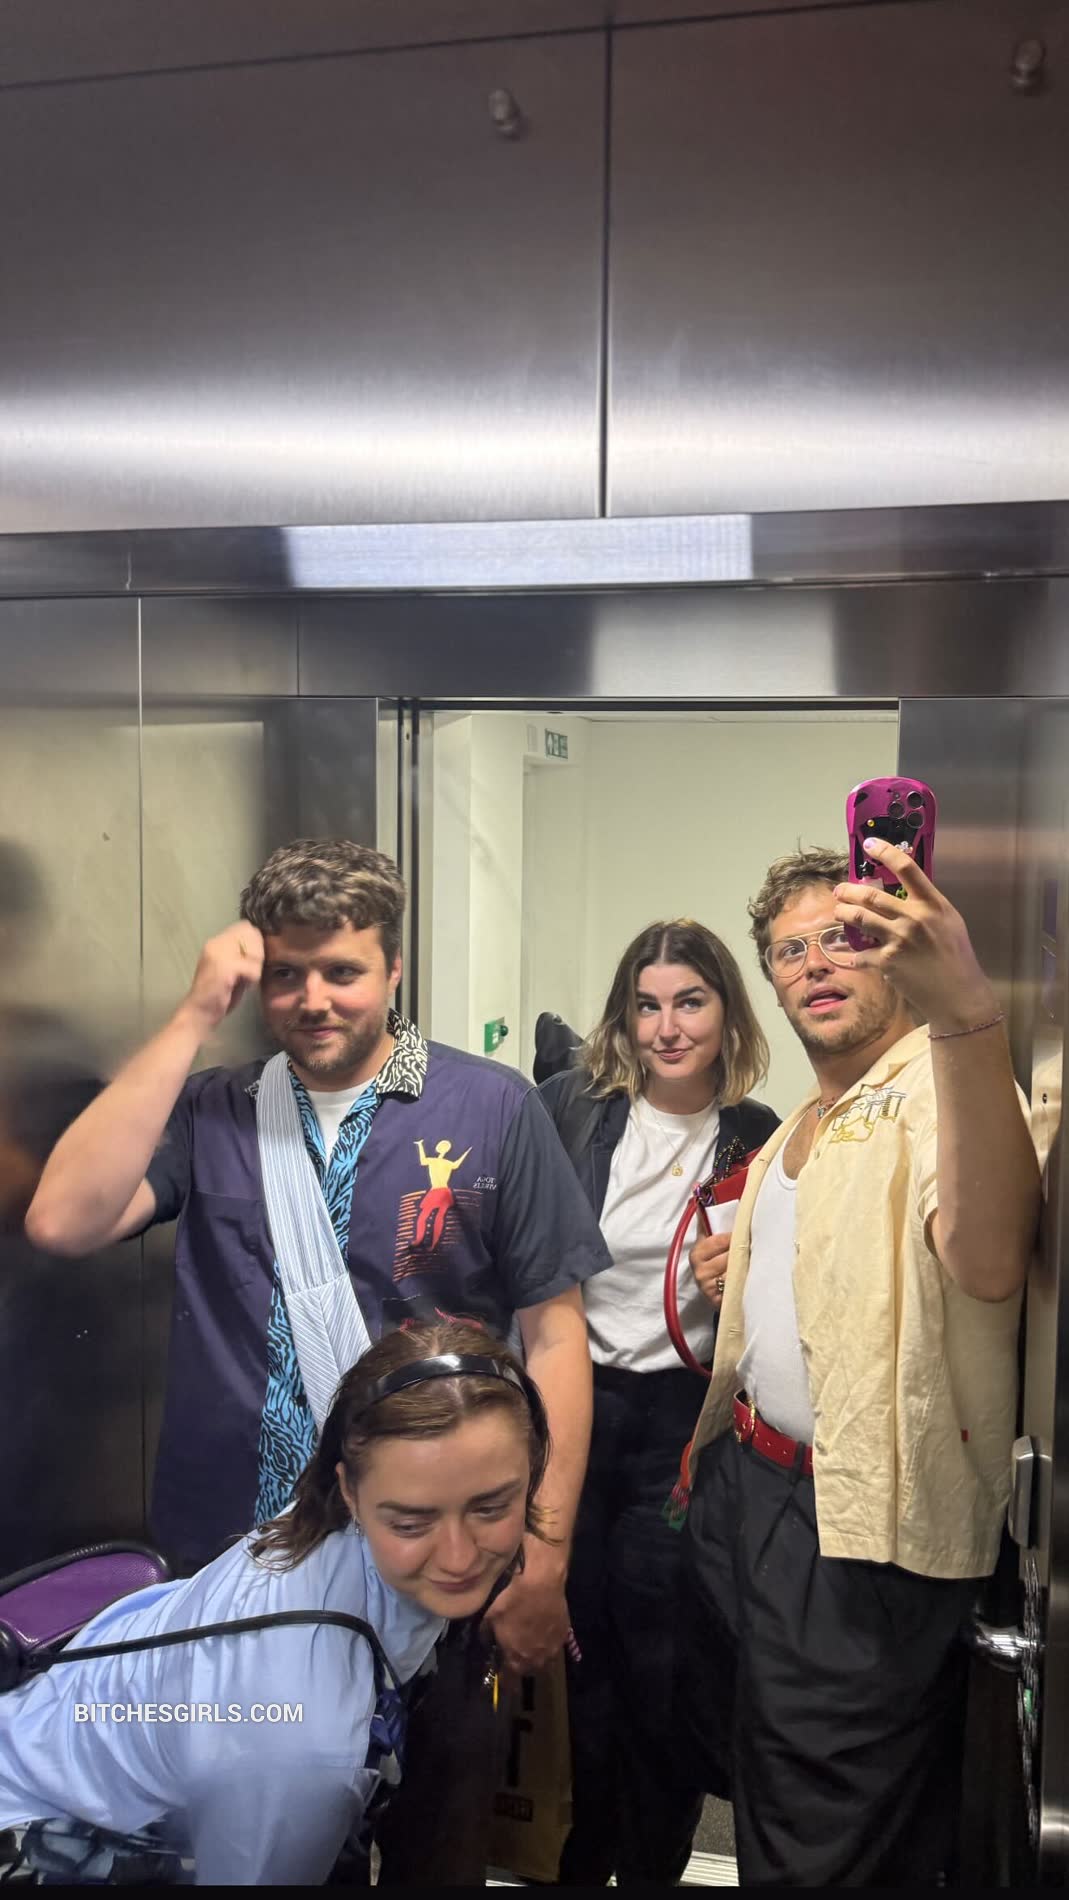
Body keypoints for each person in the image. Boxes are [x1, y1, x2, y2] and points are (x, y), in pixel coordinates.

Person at [679, 840, 1040, 1887]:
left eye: (841, 938)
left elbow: (987, 1261)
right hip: (750, 1487)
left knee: (818, 1825)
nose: (814, 966)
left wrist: (966, 1011)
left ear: (889, 953)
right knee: (778, 1776)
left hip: (856, 1526)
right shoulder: (807, 1115)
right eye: (788, 951)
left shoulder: (938, 1083)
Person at [0, 1320, 550, 1886]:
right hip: (40, 1824)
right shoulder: (305, 1748)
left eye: (491, 1508)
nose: (458, 1558)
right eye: (411, 1523)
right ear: (351, 1492)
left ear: (532, 1472)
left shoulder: (329, 1521)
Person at [540, 919, 779, 1887]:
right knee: (577, 1650)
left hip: (678, 1427)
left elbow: (789, 1306)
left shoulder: (758, 1136)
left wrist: (742, 1280)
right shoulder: (571, 1113)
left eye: (690, 1002)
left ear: (726, 1015)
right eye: (647, 1006)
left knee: (661, 1667)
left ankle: (649, 1864)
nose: (667, 1027)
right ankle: (578, 1855)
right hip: (572, 1410)